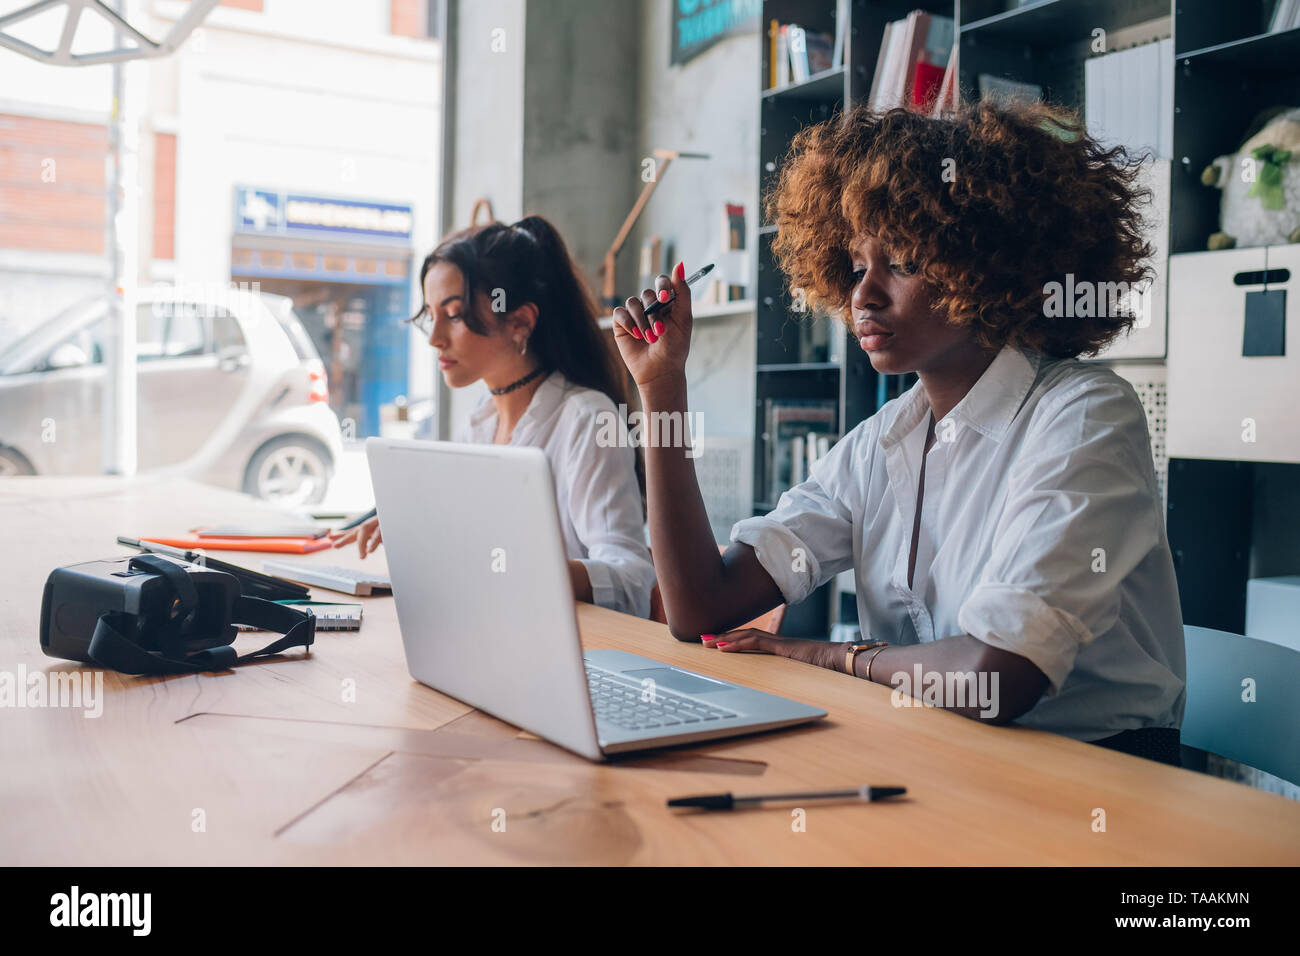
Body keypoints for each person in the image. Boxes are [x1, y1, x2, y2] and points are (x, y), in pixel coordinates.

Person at [611, 100, 1186, 765]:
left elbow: (998, 677)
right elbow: (700, 607)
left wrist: (830, 656)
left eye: (903, 262)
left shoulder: (1083, 416)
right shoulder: (882, 441)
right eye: (856, 266)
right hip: (940, 757)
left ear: (993, 267)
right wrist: (661, 389)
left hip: (1097, 775)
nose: (864, 295)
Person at [332, 215, 655, 619]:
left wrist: (521, 568)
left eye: (453, 315)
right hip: (496, 631)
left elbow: (633, 581)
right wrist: (419, 527)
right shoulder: (481, 422)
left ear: (520, 322)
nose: (434, 338)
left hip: (575, 652)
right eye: (431, 316)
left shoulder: (586, 420)